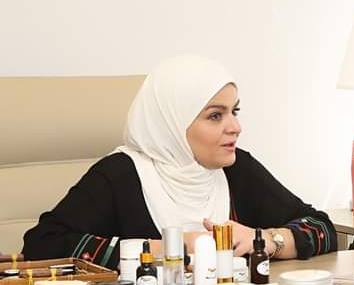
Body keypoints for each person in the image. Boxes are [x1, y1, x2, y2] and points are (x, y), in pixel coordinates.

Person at [22, 55, 336, 266]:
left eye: (234, 111)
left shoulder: (236, 168)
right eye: (215, 116)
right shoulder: (121, 173)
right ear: (172, 122)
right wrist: (174, 247)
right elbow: (42, 246)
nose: (235, 127)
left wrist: (267, 240)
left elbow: (322, 228)